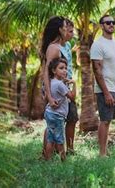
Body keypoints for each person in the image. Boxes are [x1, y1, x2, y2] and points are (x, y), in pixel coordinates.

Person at [90, 15, 115, 157]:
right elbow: (97, 70)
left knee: (109, 121)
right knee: (105, 120)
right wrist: (106, 92)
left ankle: (105, 151)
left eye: (113, 22)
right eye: (108, 23)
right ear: (101, 26)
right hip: (104, 89)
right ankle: (101, 153)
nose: (111, 25)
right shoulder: (98, 44)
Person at [40, 16, 67, 157]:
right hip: (53, 91)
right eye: (64, 27)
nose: (66, 29)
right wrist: (49, 96)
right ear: (59, 30)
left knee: (53, 125)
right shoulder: (54, 48)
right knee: (53, 126)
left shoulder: (57, 46)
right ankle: (47, 155)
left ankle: (47, 154)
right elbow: (47, 71)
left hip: (56, 89)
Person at [44, 57, 76, 161]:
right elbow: (72, 96)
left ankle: (47, 159)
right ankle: (64, 161)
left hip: (49, 113)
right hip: (57, 116)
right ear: (53, 70)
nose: (65, 70)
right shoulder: (60, 84)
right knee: (60, 140)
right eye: (61, 68)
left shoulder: (51, 82)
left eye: (66, 68)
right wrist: (74, 84)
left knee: (50, 139)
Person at [60, 19, 78, 154]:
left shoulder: (67, 46)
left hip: (68, 85)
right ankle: (52, 151)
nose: (73, 34)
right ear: (62, 30)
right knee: (57, 121)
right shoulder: (54, 46)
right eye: (70, 31)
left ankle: (70, 149)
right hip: (58, 87)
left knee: (72, 117)